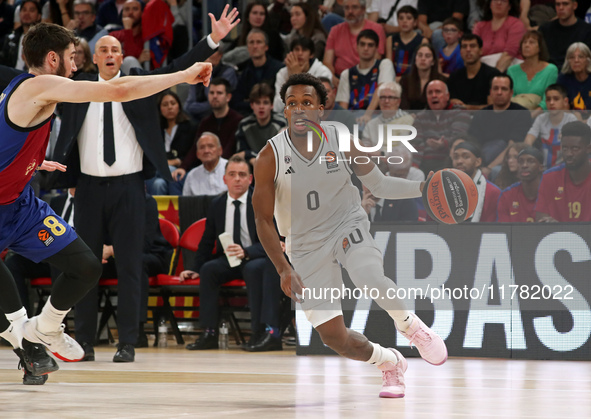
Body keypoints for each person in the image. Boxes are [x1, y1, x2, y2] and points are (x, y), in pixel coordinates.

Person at [0, 21, 211, 386]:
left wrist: (29, 161)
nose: (76, 65)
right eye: (71, 58)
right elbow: (122, 89)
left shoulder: (22, 89)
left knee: (85, 266)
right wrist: (183, 74)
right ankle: (23, 335)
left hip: (20, 203)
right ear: (53, 59)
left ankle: (43, 329)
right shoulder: (40, 85)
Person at [49, 7, 236, 363]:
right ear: (94, 56)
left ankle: (128, 341)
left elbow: (178, 66)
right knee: (85, 266)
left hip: (130, 188)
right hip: (87, 188)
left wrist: (213, 39)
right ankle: (84, 341)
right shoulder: (78, 89)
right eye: (102, 50)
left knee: (131, 267)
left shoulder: (140, 86)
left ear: (123, 57)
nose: (108, 55)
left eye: (114, 50)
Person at [253, 73, 448, 399]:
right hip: (304, 243)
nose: (299, 110)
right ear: (284, 111)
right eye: (292, 104)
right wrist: (283, 268)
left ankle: (410, 326)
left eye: (306, 103)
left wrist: (423, 189)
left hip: (346, 223)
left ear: (321, 109)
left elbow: (380, 185)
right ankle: (390, 362)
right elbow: (261, 219)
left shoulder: (340, 138)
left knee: (368, 274)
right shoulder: (269, 156)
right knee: (334, 338)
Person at [182, 155, 282, 352]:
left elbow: (275, 241)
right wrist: (195, 269)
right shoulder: (217, 204)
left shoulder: (263, 201)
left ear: (251, 179)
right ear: (224, 179)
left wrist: (247, 252)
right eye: (232, 174)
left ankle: (258, 333)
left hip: (256, 257)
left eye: (242, 175)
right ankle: (209, 332)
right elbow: (207, 240)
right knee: (208, 270)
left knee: (254, 269)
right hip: (228, 259)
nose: (237, 179)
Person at [175, 77, 243, 179]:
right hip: (205, 167)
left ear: (228, 97)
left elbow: (230, 148)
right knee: (178, 177)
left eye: (219, 93)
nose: (215, 96)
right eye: (211, 93)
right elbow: (195, 148)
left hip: (229, 170)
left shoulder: (238, 120)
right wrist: (183, 167)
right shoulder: (205, 122)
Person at [467, 74, 532, 173]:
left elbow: (512, 146)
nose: (499, 92)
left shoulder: (521, 113)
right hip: (481, 160)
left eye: (504, 89)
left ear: (511, 93)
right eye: (495, 88)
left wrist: (489, 168)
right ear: (490, 92)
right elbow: (473, 143)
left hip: (508, 162)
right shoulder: (481, 114)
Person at [535, 121, 591, 222]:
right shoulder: (549, 178)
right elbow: (541, 220)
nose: (569, 153)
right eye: (565, 148)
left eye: (575, 148)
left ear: (588, 148)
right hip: (559, 237)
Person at [412, 80, 471, 175]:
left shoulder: (460, 112)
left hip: (449, 161)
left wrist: (444, 144)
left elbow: (459, 138)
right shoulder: (420, 117)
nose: (434, 95)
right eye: (430, 93)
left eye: (438, 92)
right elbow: (416, 143)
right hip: (424, 163)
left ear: (447, 96)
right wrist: (414, 166)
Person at [147, 90, 197, 196]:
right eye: (165, 104)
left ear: (179, 105)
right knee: (158, 184)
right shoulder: (155, 129)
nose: (169, 107)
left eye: (173, 103)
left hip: (180, 168)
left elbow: (192, 154)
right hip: (159, 170)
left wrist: (177, 161)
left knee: (163, 170)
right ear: (159, 109)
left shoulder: (190, 127)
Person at [336, 29, 395, 117]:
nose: (366, 48)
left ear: (376, 48)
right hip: (353, 118)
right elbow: (343, 106)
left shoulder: (384, 64)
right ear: (357, 47)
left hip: (377, 116)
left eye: (370, 45)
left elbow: (382, 90)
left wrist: (367, 114)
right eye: (362, 44)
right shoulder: (347, 74)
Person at [323, 0, 387, 77]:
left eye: (354, 7)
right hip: (339, 78)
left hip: (367, 77)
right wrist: (333, 78)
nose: (350, 11)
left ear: (363, 9)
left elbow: (376, 60)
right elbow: (327, 62)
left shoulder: (377, 29)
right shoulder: (335, 30)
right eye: (346, 7)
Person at [232, 29, 284, 115]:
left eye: (259, 42)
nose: (255, 46)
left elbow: (279, 101)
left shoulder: (279, 69)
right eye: (251, 42)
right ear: (247, 47)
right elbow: (236, 103)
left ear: (266, 47)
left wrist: (250, 101)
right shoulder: (243, 71)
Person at [273, 37, 332, 113]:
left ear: (311, 54)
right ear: (291, 53)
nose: (300, 53)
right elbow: (277, 108)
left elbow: (318, 103)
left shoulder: (323, 72)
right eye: (297, 49)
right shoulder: (282, 73)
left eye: (304, 50)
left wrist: (296, 78)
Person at [524, 84, 577, 168]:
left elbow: (574, 148)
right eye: (548, 99)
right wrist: (530, 153)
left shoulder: (571, 119)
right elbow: (529, 139)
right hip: (542, 168)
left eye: (556, 99)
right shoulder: (541, 118)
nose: (551, 103)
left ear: (565, 101)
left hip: (564, 167)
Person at [184, 45, 238, 125]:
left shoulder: (228, 71)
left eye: (212, 51)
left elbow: (215, 101)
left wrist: (208, 71)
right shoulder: (197, 73)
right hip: (198, 119)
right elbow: (188, 106)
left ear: (220, 55)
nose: (207, 55)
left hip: (223, 117)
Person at [236, 82, 287, 165]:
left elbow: (280, 154)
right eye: (257, 103)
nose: (261, 107)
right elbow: (240, 155)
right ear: (252, 105)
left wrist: (250, 155)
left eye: (265, 102)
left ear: (272, 105)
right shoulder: (244, 125)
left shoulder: (281, 123)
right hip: (251, 169)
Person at [447, 33, 501, 110]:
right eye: (464, 47)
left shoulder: (493, 75)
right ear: (460, 51)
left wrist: (467, 107)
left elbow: (493, 108)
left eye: (472, 46)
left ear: (481, 51)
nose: (468, 50)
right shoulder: (454, 76)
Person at [506, 30, 557, 110]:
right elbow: (509, 97)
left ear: (540, 47)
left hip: (540, 115)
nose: (526, 45)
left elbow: (547, 99)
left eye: (531, 42)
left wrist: (532, 116)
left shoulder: (551, 70)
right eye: (524, 42)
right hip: (516, 113)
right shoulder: (512, 70)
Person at [451, 142, 501, 222]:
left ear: (478, 162)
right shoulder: (445, 189)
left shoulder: (492, 191)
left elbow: (494, 227)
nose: (459, 161)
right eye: (456, 157)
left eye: (466, 157)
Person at [473, 0, 526, 72]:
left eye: (503, 1)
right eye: (495, 0)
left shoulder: (516, 24)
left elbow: (509, 54)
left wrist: (495, 75)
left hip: (509, 69)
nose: (499, 3)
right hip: (482, 69)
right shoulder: (480, 26)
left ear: (509, 6)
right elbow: (473, 51)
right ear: (490, 4)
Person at [539, 0, 591, 69]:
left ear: (574, 5)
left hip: (576, 72)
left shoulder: (587, 30)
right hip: (549, 72)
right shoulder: (545, 29)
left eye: (565, 4)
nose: (561, 8)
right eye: (558, 4)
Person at [360, 81, 414, 148]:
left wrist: (381, 154)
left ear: (398, 101)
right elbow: (365, 150)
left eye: (391, 97)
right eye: (383, 97)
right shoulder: (371, 124)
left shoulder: (408, 121)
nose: (386, 101)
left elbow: (403, 150)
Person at [497, 146, 544, 222]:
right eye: (520, 162)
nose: (524, 165)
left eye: (530, 161)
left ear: (541, 167)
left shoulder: (552, 193)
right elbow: (503, 229)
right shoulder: (507, 195)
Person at [399, 43, 446, 110]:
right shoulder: (405, 80)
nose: (423, 59)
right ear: (415, 59)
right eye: (420, 55)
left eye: (427, 56)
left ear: (433, 61)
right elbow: (403, 105)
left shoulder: (441, 81)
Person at [386, 5, 425, 79]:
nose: (404, 21)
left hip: (414, 79)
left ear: (415, 22)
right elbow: (389, 65)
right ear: (397, 21)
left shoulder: (422, 41)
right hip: (394, 79)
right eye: (401, 18)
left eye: (409, 18)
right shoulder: (390, 39)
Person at [0, 0, 41, 70]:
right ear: (19, 14)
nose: (27, 13)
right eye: (24, 10)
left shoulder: (43, 39)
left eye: (31, 10)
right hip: (12, 77)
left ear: (39, 16)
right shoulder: (10, 38)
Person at [556, 42, 591, 112]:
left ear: (588, 61)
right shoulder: (563, 79)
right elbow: (560, 106)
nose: (576, 60)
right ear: (568, 61)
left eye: (581, 57)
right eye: (572, 57)